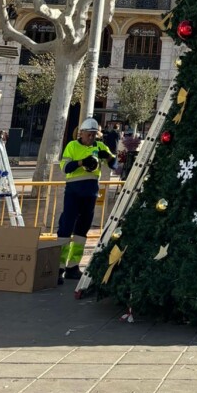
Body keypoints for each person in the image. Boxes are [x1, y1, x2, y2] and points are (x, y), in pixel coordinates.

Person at [55, 117, 116, 283]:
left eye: (94, 135)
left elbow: (115, 165)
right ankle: (58, 267)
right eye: (88, 134)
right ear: (81, 133)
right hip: (73, 192)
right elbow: (65, 167)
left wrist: (108, 157)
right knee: (66, 228)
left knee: (82, 230)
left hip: (90, 193)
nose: (91, 138)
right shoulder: (72, 146)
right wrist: (82, 162)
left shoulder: (100, 146)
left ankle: (73, 266)